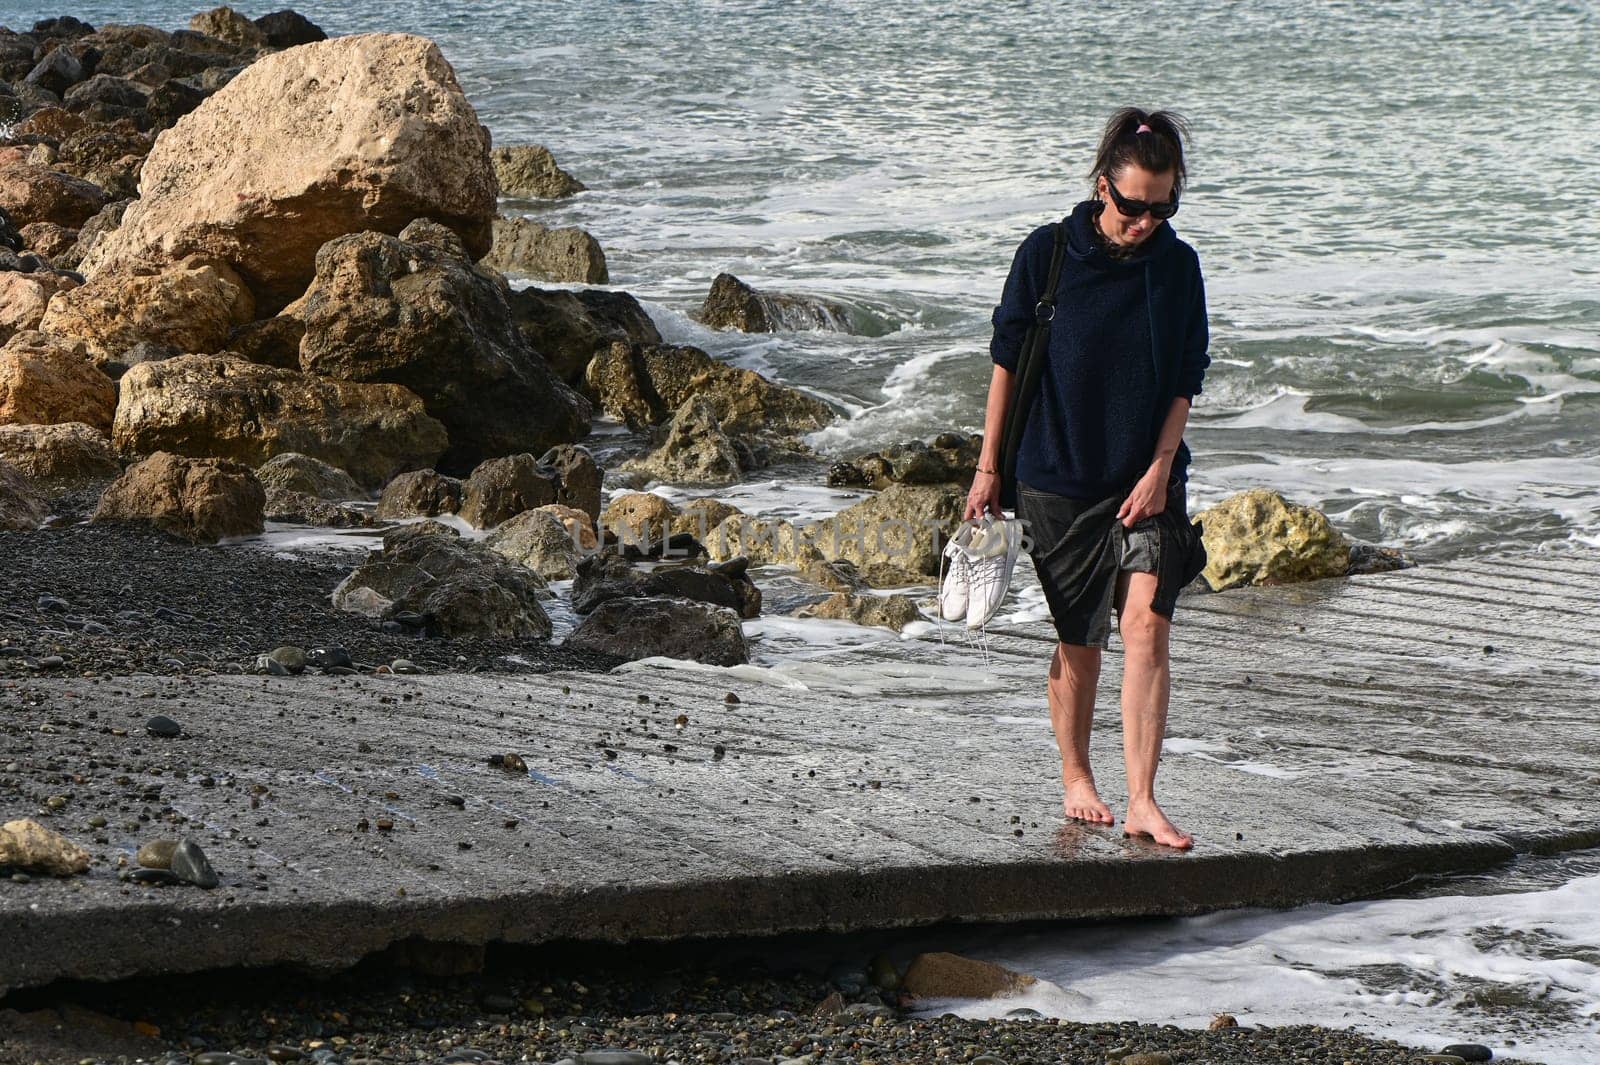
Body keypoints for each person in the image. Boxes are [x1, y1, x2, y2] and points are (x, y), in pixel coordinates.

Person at [966, 108, 1210, 850]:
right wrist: (988, 468)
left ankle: (1142, 797)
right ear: (1103, 186)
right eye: (1133, 206)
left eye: (1162, 207)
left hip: (1147, 477)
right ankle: (1078, 775)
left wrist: (1163, 468)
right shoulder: (1047, 255)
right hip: (1057, 473)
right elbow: (1007, 362)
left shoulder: (1177, 267)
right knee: (1082, 641)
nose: (1146, 222)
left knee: (1146, 627)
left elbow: (1184, 379)